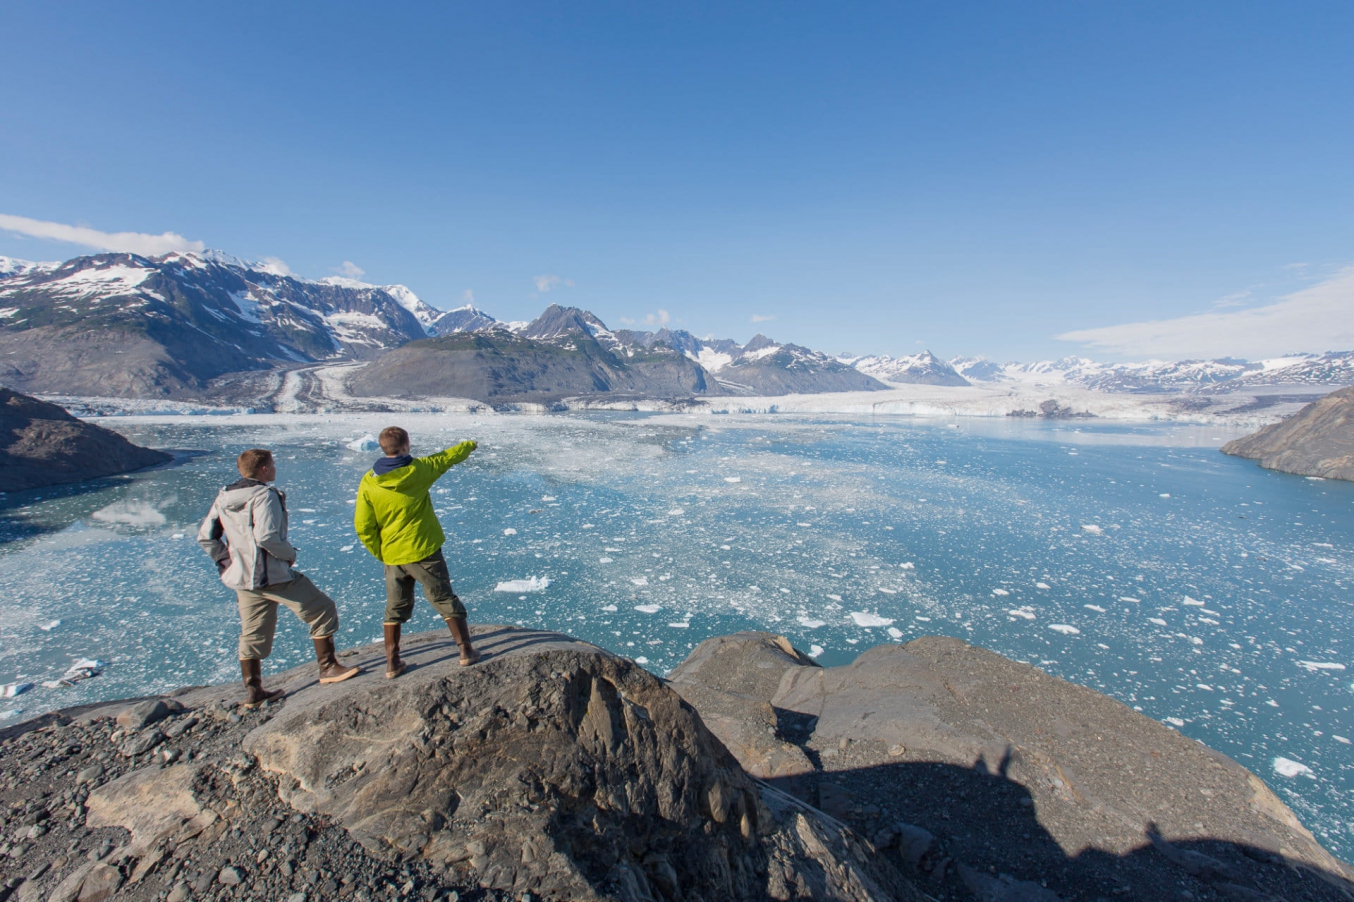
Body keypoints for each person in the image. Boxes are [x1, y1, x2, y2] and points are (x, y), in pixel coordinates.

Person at [197, 448, 359, 706]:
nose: (275, 468)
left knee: (251, 633)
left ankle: (254, 691)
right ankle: (328, 667)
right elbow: (266, 537)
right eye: (272, 464)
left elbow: (206, 536)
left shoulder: (224, 497)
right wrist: (289, 555)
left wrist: (227, 563)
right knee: (321, 609)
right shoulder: (264, 496)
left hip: (243, 578)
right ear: (263, 469)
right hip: (273, 575)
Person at [354, 426, 480, 677]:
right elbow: (445, 458)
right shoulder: (418, 470)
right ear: (405, 446)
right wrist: (469, 445)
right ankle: (465, 651)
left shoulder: (369, 481)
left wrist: (381, 552)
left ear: (383, 448)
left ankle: (392, 663)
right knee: (444, 598)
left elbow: (363, 525)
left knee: (394, 607)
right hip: (424, 550)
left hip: (393, 555)